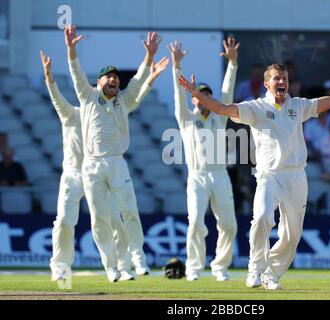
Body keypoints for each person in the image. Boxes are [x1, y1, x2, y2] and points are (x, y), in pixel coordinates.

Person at [178, 58, 330, 290]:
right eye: (276, 78)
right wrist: (197, 93)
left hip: (296, 176)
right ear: (267, 84)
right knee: (263, 218)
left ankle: (271, 274)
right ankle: (255, 270)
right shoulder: (255, 108)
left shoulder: (298, 105)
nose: (281, 81)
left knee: (292, 234)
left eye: (284, 78)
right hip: (268, 175)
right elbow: (223, 109)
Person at [65, 25, 169, 280]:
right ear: (98, 82)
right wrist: (71, 50)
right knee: (100, 219)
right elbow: (76, 74)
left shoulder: (124, 99)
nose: (113, 80)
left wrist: (149, 57)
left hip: (117, 164)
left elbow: (137, 80)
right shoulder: (87, 96)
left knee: (129, 211)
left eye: (115, 77)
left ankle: (138, 258)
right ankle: (111, 266)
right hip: (91, 166)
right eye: (107, 77)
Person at [40, 50, 137, 282]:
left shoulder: (107, 109)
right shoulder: (70, 114)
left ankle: (125, 267)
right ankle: (61, 267)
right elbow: (56, 96)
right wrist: (49, 76)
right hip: (74, 174)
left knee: (115, 220)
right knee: (64, 220)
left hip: (100, 175)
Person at [169, 38, 238, 282]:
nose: (206, 99)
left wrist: (232, 64)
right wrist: (176, 66)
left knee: (229, 225)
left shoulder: (220, 117)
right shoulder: (186, 118)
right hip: (197, 177)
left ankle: (220, 268)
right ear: (195, 99)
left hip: (220, 175)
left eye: (209, 96)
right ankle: (195, 268)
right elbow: (178, 95)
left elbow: (227, 91)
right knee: (196, 222)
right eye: (201, 95)